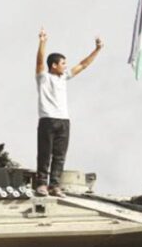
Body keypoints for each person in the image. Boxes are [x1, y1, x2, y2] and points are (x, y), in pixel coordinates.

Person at [34, 27, 103, 198]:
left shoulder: (63, 77)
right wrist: (42, 42)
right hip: (47, 119)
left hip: (64, 120)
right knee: (45, 154)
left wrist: (97, 49)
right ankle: (42, 184)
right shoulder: (44, 78)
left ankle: (54, 185)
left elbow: (83, 65)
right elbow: (40, 62)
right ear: (54, 65)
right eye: (63, 63)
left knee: (59, 155)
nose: (65, 66)